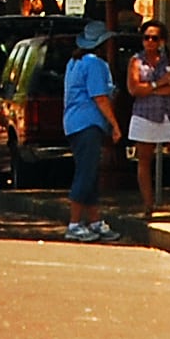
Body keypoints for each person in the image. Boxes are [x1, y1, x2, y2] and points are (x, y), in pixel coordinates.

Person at [59, 22, 120, 240]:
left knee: (91, 173)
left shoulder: (74, 62)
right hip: (89, 123)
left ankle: (95, 220)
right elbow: (100, 97)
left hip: (73, 123)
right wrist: (114, 124)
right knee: (86, 174)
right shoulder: (95, 64)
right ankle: (74, 223)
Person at [120, 18, 170, 219]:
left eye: (154, 38)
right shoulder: (136, 61)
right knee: (144, 161)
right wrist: (159, 85)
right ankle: (148, 205)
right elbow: (134, 89)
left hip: (168, 114)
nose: (150, 42)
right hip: (144, 115)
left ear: (162, 41)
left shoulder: (169, 59)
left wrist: (150, 89)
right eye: (146, 37)